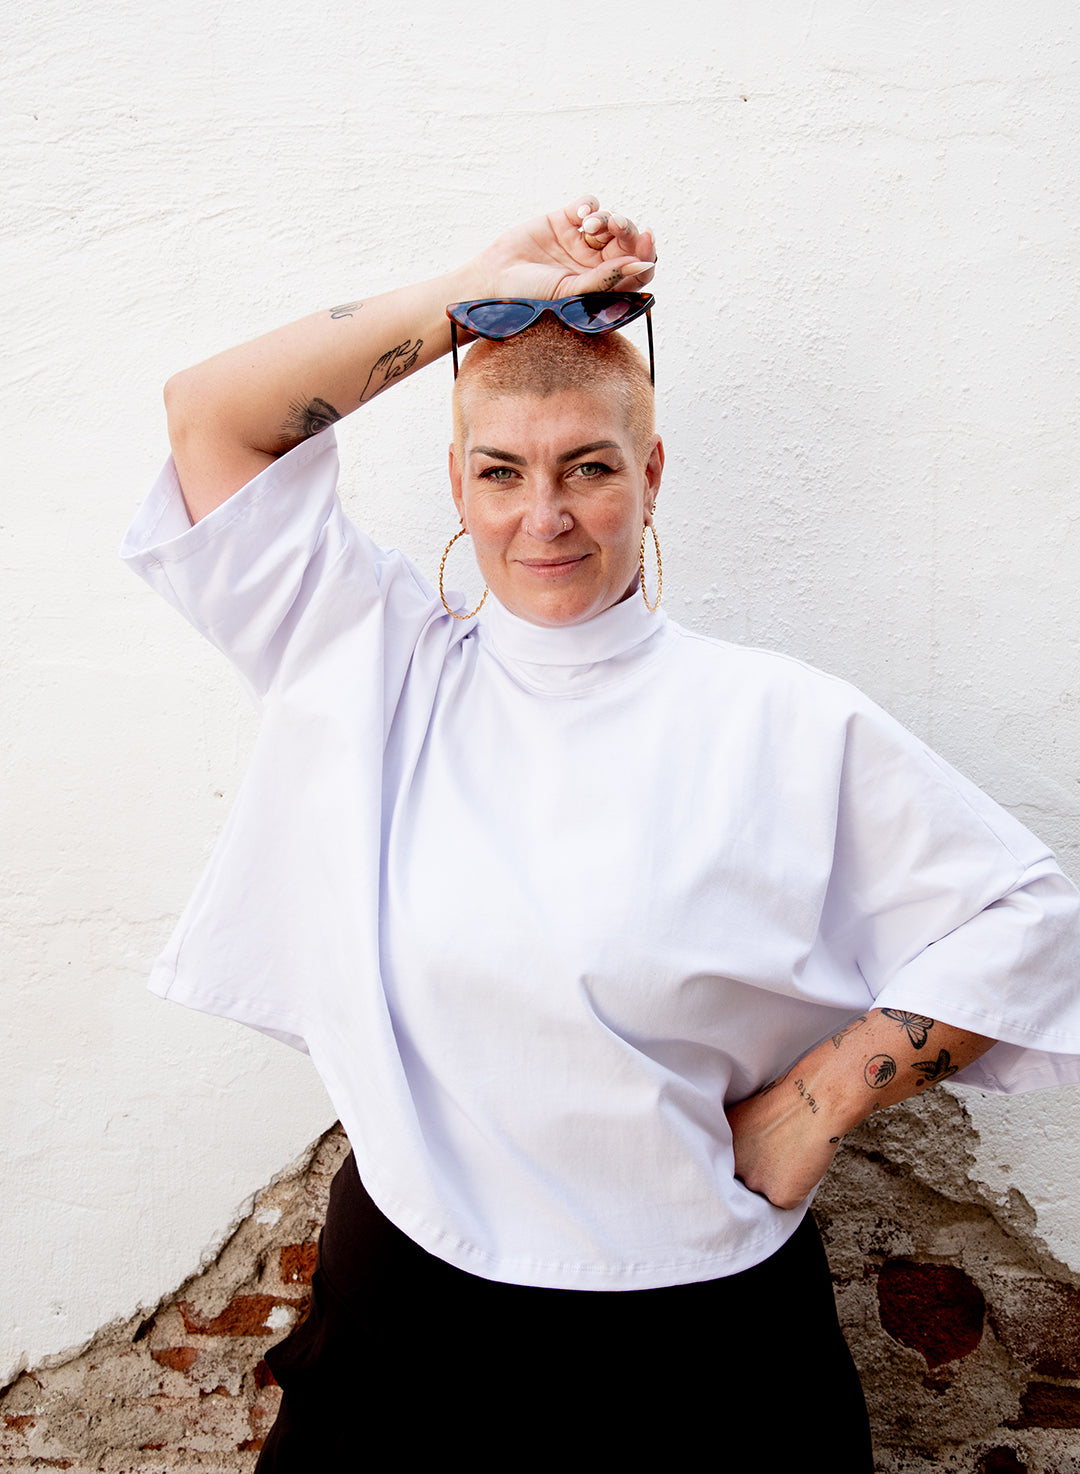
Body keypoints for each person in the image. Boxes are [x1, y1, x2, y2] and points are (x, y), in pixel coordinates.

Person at [123, 195, 1080, 1467]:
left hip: (709, 1352)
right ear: (457, 481)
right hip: (408, 1320)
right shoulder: (367, 659)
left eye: (589, 465)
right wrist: (468, 293)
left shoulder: (780, 720)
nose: (546, 517)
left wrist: (817, 1101)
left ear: (651, 473)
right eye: (502, 471)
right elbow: (211, 415)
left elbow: (1028, 918)